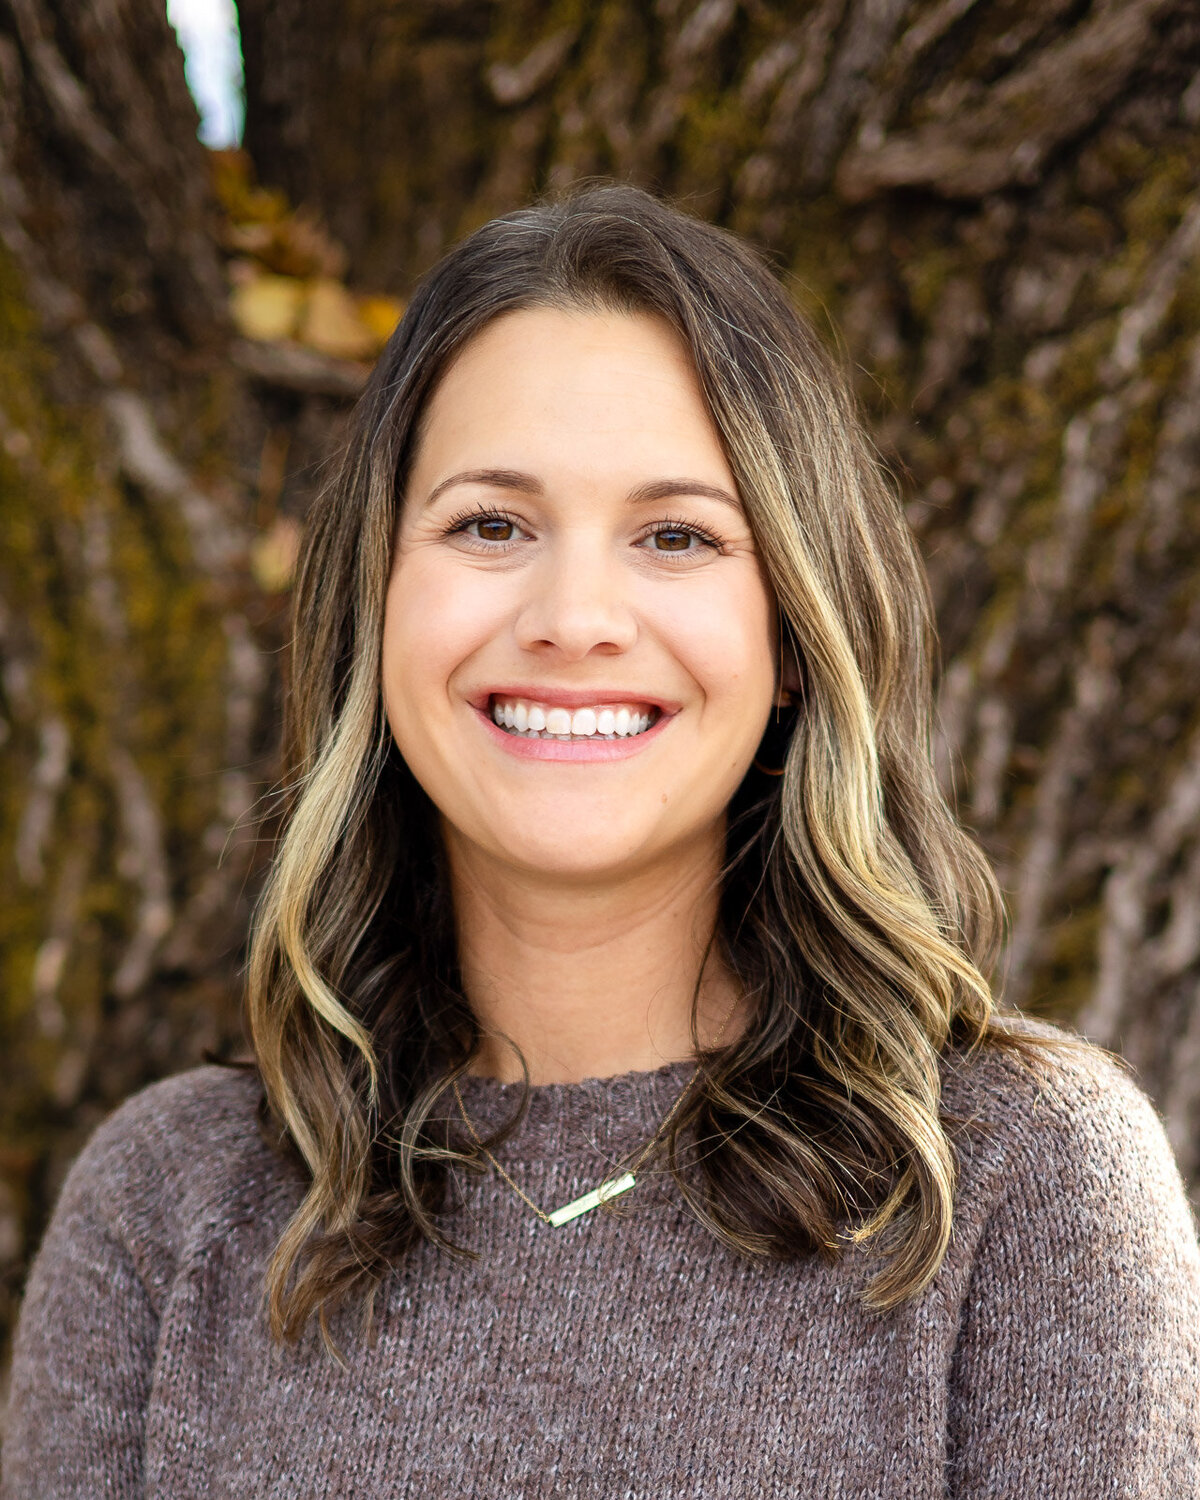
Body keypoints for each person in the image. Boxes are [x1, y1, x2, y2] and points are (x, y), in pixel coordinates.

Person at [3, 180, 1198, 1499]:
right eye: (490, 525)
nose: (575, 617)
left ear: (794, 636)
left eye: (676, 535)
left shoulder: (1019, 1181)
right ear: (375, 606)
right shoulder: (173, 1204)